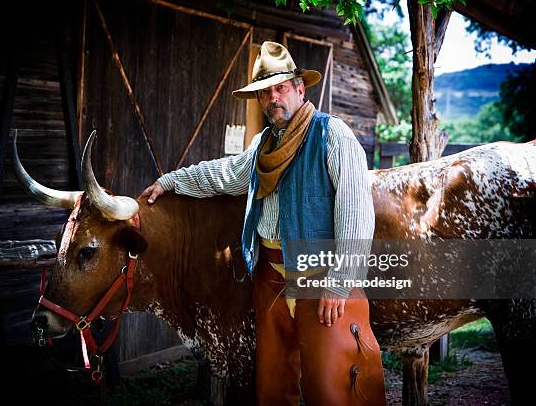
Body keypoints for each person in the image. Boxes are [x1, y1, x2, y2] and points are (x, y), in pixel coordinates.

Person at [140, 41, 386, 405]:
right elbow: (223, 175)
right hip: (269, 281)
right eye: (265, 92)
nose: (273, 97)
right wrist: (172, 181)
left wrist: (340, 283)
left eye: (281, 88)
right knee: (272, 388)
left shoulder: (332, 136)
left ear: (299, 89)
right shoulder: (262, 146)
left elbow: (356, 215)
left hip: (321, 282)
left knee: (332, 390)